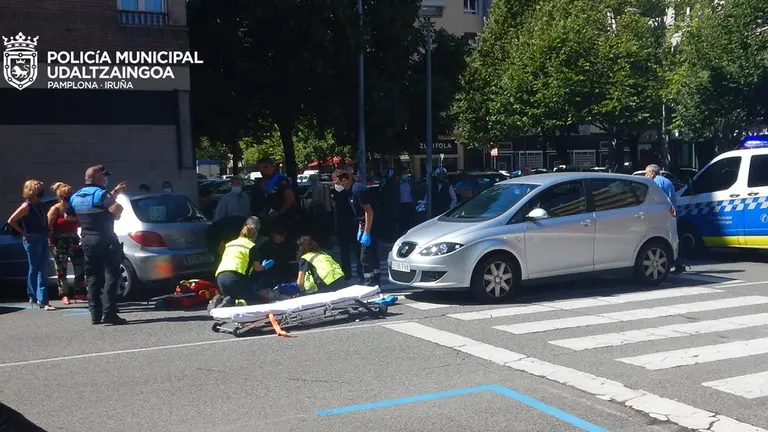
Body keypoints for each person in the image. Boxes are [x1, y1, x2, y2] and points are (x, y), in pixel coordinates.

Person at [70, 165, 128, 325]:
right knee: (112, 274)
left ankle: (95, 314)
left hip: (87, 239)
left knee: (93, 277)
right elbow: (117, 208)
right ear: (98, 178)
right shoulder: (100, 194)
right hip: (105, 238)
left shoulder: (76, 196)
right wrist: (110, 216)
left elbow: (69, 216)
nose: (105, 179)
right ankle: (109, 313)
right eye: (104, 177)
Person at [7, 179, 56, 311]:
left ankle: (39, 298)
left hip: (42, 236)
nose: (41, 191)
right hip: (32, 237)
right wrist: (23, 232)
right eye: (39, 189)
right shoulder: (26, 206)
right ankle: (38, 298)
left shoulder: (39, 204)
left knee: (42, 267)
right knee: (35, 267)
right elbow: (11, 220)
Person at [209, 216, 275, 309]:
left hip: (220, 278)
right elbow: (257, 268)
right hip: (236, 277)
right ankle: (235, 303)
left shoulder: (230, 244)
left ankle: (223, 301)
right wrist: (265, 266)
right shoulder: (251, 247)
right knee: (256, 302)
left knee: (235, 298)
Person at [333, 169, 380, 286]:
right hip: (364, 225)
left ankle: (370, 282)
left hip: (371, 225)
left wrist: (367, 232)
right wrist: (360, 229)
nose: (336, 185)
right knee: (370, 255)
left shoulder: (357, 189)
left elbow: (369, 211)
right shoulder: (349, 191)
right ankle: (374, 281)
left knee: (365, 257)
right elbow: (359, 214)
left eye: (337, 182)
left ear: (344, 180)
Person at [47, 182, 86, 305]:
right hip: (59, 242)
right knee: (61, 269)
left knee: (79, 266)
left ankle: (80, 291)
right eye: (66, 195)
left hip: (74, 240)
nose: (68, 197)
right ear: (61, 196)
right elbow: (48, 226)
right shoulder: (55, 209)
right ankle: (64, 294)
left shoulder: (74, 208)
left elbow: (80, 223)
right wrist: (50, 241)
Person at [645, 164, 687, 274]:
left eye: (647, 173)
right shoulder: (667, 182)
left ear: (652, 173)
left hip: (662, 214)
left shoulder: (655, 182)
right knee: (674, 238)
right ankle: (679, 264)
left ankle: (669, 264)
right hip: (672, 212)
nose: (646, 175)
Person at [256, 158, 297, 237]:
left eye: (265, 167)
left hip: (283, 218)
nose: (262, 170)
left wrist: (279, 212)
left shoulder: (280, 179)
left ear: (273, 167)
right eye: (260, 168)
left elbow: (290, 198)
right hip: (268, 218)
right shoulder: (262, 182)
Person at [307, 174, 332, 247]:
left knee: (319, 228)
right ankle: (326, 242)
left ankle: (321, 243)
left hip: (319, 209)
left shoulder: (315, 187)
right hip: (327, 208)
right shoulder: (325, 186)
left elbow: (315, 200)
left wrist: (309, 207)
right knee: (325, 227)